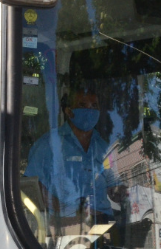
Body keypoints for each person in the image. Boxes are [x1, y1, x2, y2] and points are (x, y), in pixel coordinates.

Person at [25, 88, 124, 230]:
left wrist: (121, 192)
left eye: (94, 106)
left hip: (103, 223)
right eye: (83, 105)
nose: (90, 111)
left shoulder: (104, 147)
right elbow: (30, 186)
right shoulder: (49, 144)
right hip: (64, 226)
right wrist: (61, 209)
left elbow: (114, 187)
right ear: (69, 111)